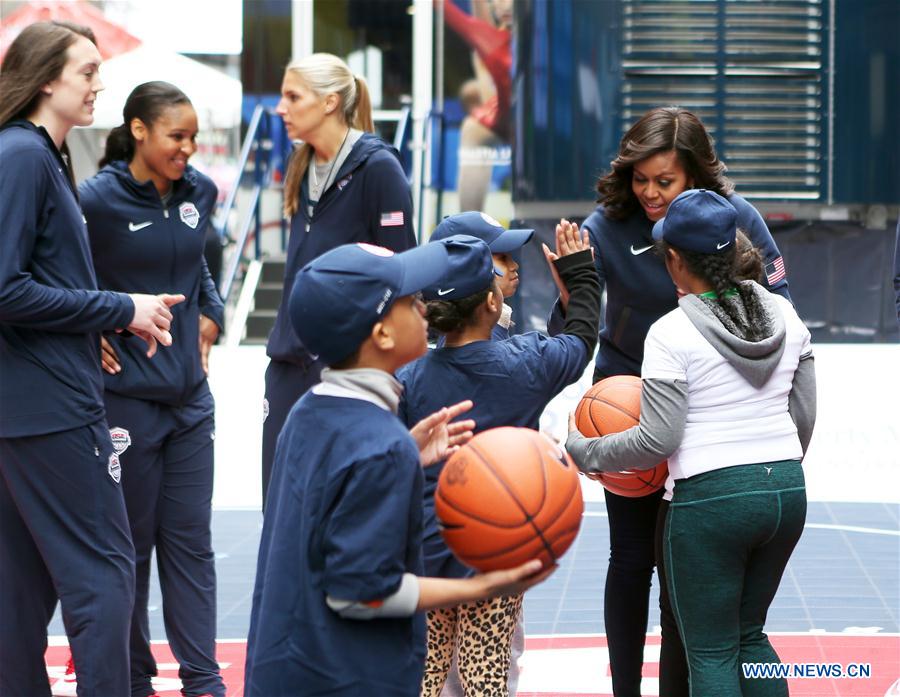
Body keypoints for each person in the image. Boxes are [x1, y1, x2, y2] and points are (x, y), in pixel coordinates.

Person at [546, 106, 792, 697]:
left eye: (666, 181)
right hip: (628, 404)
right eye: (641, 179)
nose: (650, 193)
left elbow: (780, 312)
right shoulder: (603, 227)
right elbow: (570, 332)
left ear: (695, 177)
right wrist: (569, 291)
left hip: (705, 414)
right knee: (631, 559)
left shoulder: (736, 219)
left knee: (685, 570)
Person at [244, 241, 555, 696]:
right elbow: (361, 594)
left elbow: (331, 501)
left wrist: (405, 451)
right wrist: (481, 586)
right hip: (349, 678)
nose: (425, 307)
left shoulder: (310, 411)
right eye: (411, 302)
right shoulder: (380, 446)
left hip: (287, 669)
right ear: (382, 336)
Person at [0, 21, 183, 696]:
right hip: (50, 407)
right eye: (86, 71)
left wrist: (94, 319)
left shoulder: (35, 155)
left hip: (28, 402)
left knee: (18, 588)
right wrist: (118, 309)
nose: (99, 83)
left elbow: (30, 284)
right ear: (46, 78)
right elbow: (5, 288)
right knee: (105, 571)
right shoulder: (22, 155)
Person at [397, 223, 600, 696]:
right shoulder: (525, 363)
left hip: (426, 547)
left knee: (425, 677)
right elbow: (581, 339)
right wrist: (581, 276)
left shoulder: (409, 378)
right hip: (495, 549)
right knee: (487, 676)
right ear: (493, 304)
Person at [75, 81, 226, 697]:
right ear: (139, 130)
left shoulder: (200, 194)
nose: (188, 149)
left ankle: (204, 681)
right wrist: (91, 331)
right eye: (176, 137)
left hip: (191, 403)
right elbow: (58, 274)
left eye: (193, 138)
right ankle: (135, 679)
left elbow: (201, 265)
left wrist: (212, 316)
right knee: (129, 548)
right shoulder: (95, 200)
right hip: (125, 403)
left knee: (192, 547)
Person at [262, 53, 416, 507]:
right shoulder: (299, 165)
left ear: (330, 102)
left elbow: (400, 272)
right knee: (281, 510)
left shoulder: (378, 169)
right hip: (289, 365)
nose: (280, 107)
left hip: (348, 369)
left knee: (339, 512)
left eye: (292, 96)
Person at [444, 0, 513, 211]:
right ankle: (469, 224)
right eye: (496, 2)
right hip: (504, 113)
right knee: (472, 130)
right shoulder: (490, 38)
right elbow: (479, 18)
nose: (500, 7)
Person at [430, 210, 534, 341]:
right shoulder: (473, 339)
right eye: (502, 258)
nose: (514, 265)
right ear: (464, 267)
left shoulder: (492, 326)